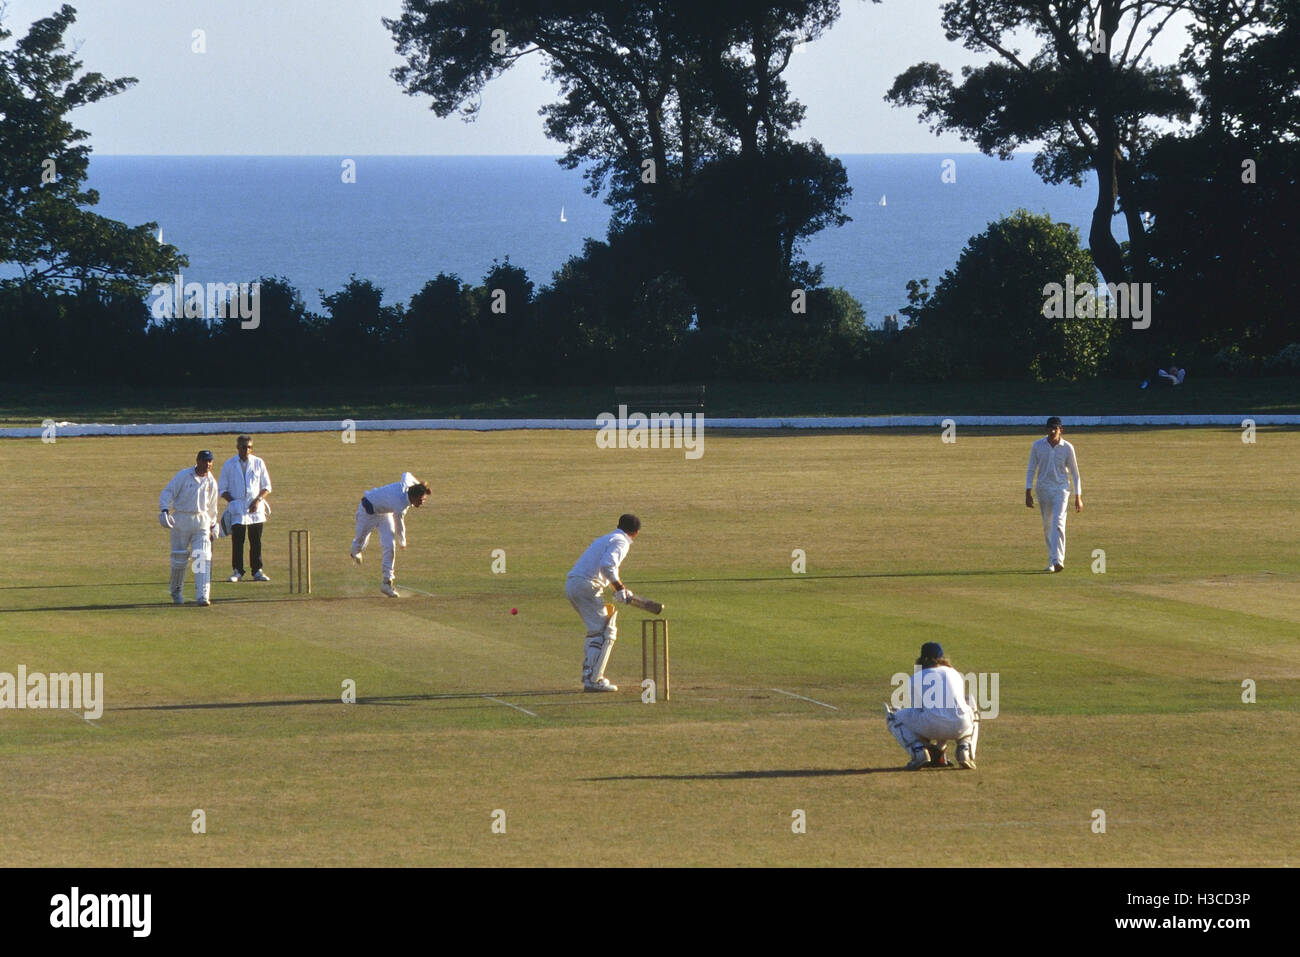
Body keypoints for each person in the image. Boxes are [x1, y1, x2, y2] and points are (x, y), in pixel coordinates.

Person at [566, 514, 641, 692]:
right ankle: (594, 679)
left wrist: (616, 588)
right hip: (586, 585)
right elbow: (607, 565)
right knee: (605, 632)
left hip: (574, 584)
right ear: (636, 532)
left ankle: (589, 675)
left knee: (596, 630)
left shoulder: (607, 538)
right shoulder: (621, 541)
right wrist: (620, 588)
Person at [883, 641, 979, 770]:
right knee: (971, 708)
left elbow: (918, 710)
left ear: (922, 659)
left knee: (893, 716)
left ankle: (919, 752)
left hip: (931, 726)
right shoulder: (955, 673)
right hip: (961, 726)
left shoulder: (916, 677)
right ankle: (964, 748)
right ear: (942, 658)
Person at [350, 472, 431, 597]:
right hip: (368, 511)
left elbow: (406, 474)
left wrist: (419, 485)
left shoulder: (408, 485)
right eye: (421, 499)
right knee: (359, 544)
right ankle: (355, 552)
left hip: (385, 513)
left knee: (389, 546)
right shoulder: (400, 505)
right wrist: (402, 542)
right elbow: (399, 525)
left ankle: (387, 583)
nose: (422, 502)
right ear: (413, 497)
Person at [159, 450, 221, 606]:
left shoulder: (211, 481)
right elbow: (168, 492)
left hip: (201, 521)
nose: (208, 464)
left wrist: (213, 524)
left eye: (210, 461)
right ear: (198, 461)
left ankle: (202, 595)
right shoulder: (184, 475)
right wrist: (165, 510)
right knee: (179, 559)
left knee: (202, 557)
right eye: (205, 461)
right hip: (181, 519)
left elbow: (213, 506)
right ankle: (176, 592)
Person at [1025, 416, 1082, 572]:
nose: (1052, 431)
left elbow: (1075, 474)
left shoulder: (1068, 447)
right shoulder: (1037, 446)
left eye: (1055, 428)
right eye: (1049, 428)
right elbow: (1031, 468)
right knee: (1047, 526)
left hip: (1061, 490)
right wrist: (1028, 491)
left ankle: (1058, 560)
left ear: (1060, 430)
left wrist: (1078, 496)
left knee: (1058, 523)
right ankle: (1052, 560)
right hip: (1043, 489)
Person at [219, 434, 272, 583]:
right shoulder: (229, 464)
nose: (246, 450)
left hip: (255, 508)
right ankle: (237, 571)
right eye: (243, 447)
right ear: (237, 448)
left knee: (256, 541)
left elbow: (266, 486)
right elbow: (222, 488)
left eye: (249, 447)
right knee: (238, 540)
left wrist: (258, 500)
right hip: (237, 509)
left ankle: (257, 571)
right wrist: (233, 502)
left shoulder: (258, 463)